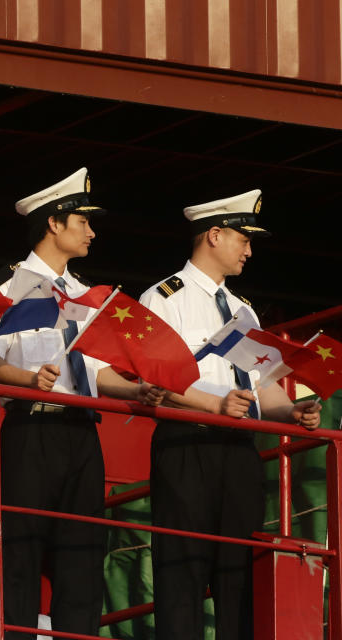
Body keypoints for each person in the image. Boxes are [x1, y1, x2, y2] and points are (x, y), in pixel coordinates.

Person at [0, 168, 164, 640]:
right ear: (54, 223)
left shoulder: (85, 294)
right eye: (83, 221)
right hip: (30, 427)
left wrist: (136, 390)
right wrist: (30, 379)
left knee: (82, 554)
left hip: (82, 432)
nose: (92, 232)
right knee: (22, 551)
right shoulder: (6, 285)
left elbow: (96, 371)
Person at [139, 190, 321, 640]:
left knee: (239, 574)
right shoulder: (165, 298)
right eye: (243, 238)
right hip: (187, 444)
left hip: (238, 451)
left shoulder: (243, 308)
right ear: (214, 235)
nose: (249, 250)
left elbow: (261, 385)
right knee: (181, 570)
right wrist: (214, 405)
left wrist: (293, 412)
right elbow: (152, 381)